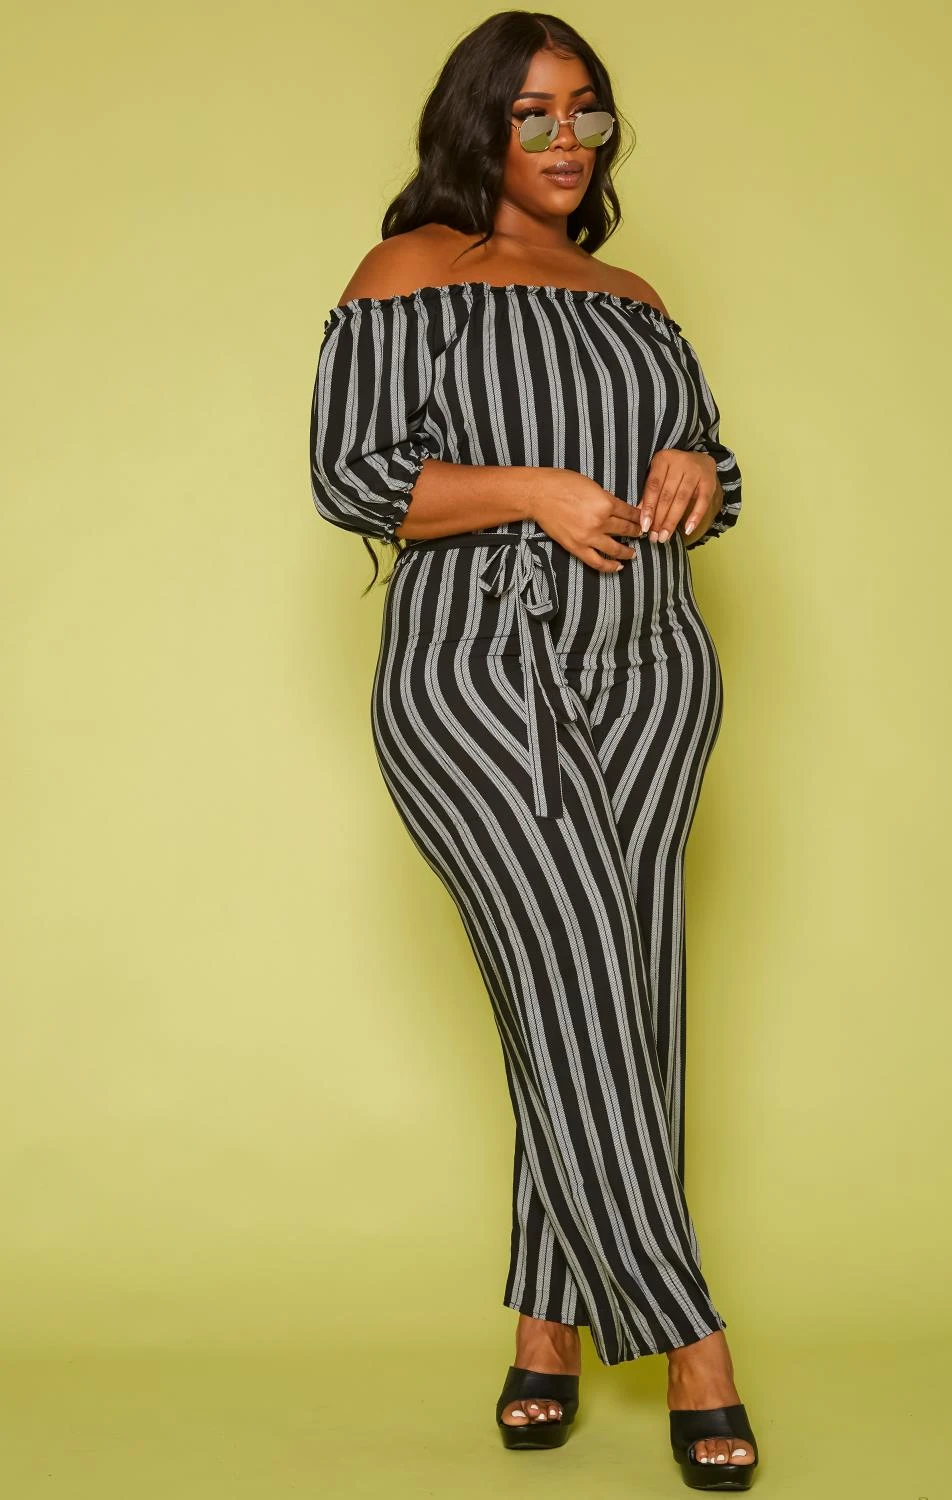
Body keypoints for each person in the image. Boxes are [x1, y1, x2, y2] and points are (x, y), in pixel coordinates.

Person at [308, 11, 759, 1490]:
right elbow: (351, 475)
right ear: (479, 128)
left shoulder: (636, 298)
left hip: (653, 673)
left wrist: (693, 467)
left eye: (588, 112)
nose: (567, 141)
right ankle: (693, 1339)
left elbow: (712, 467)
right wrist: (535, 492)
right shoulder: (413, 270)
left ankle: (545, 1330)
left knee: (618, 995)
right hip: (477, 673)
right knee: (577, 977)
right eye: (534, 115)